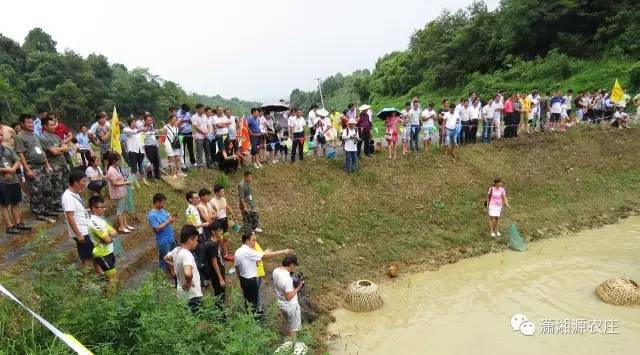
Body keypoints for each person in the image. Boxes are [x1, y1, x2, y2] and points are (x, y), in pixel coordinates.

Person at [234, 230, 291, 314]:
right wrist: (283, 252)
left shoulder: (238, 251)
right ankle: (252, 320)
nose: (255, 242)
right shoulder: (248, 251)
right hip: (250, 281)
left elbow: (236, 266)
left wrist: (240, 277)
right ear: (247, 241)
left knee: (247, 299)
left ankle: (248, 316)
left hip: (243, 279)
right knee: (253, 302)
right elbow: (266, 255)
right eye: (253, 240)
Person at [15, 114, 55, 220]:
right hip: (33, 167)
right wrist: (27, 170)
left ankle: (46, 209)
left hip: (42, 166)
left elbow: (41, 151)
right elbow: (21, 154)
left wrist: (47, 164)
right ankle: (38, 212)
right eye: (28, 122)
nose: (31, 124)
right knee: (36, 191)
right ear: (22, 124)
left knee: (47, 189)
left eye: (32, 122)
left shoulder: (34, 135)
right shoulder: (19, 137)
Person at [0, 129, 31, 235]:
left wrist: (12, 169)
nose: (0, 137)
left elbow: (17, 160)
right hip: (2, 181)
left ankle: (18, 223)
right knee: (4, 204)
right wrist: (6, 170)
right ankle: (9, 226)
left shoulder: (7, 148)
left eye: (1, 135)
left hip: (13, 179)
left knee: (16, 202)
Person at [62, 170, 94, 268]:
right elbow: (69, 216)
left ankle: (96, 276)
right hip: (81, 232)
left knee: (91, 254)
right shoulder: (68, 197)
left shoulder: (75, 193)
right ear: (75, 182)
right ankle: (87, 281)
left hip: (85, 228)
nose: (85, 183)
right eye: (83, 181)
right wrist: (78, 234)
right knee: (86, 257)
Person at [40, 115, 70, 212]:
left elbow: (66, 148)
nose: (54, 127)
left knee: (66, 185)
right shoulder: (42, 138)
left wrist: (59, 149)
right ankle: (58, 205)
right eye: (52, 125)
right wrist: (60, 149)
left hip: (63, 163)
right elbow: (54, 152)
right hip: (54, 165)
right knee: (57, 186)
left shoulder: (57, 136)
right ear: (45, 126)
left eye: (54, 125)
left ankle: (66, 203)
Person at [87, 195, 118, 288]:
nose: (104, 209)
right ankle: (110, 301)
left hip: (108, 251)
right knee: (112, 280)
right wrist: (108, 238)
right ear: (93, 208)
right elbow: (108, 239)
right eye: (102, 207)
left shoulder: (101, 220)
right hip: (102, 253)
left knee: (111, 279)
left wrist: (108, 238)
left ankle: (107, 298)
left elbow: (115, 232)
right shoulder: (93, 222)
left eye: (104, 207)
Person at [273, 255, 304, 339]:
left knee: (288, 324)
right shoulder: (287, 279)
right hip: (290, 305)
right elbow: (289, 297)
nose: (294, 268)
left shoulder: (276, 271)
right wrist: (298, 287)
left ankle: (288, 341)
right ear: (291, 264)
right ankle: (293, 346)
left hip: (280, 302)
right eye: (294, 265)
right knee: (294, 329)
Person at [174, 225, 203, 313]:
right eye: (196, 240)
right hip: (192, 295)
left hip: (182, 293)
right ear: (190, 240)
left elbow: (167, 259)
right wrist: (189, 282)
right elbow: (188, 273)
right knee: (196, 320)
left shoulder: (177, 251)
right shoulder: (187, 255)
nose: (197, 243)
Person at [148, 193, 177, 277]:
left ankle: (169, 274)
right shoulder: (152, 215)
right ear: (157, 202)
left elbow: (167, 219)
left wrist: (171, 219)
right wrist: (168, 221)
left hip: (170, 237)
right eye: (162, 203)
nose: (164, 205)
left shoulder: (163, 211)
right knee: (166, 258)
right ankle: (169, 274)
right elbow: (156, 228)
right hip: (163, 240)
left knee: (171, 256)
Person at [105, 153, 134, 233]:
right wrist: (126, 183)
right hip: (118, 193)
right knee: (120, 211)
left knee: (123, 209)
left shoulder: (116, 168)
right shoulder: (111, 170)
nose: (121, 162)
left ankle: (125, 224)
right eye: (119, 160)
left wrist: (124, 179)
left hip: (122, 192)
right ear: (114, 161)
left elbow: (118, 179)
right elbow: (114, 183)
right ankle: (121, 227)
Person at [211, 183, 239, 260]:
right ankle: (218, 254)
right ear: (217, 192)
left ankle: (226, 255)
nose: (223, 193)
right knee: (220, 238)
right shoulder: (212, 201)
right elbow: (211, 213)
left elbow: (228, 207)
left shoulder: (224, 199)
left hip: (224, 220)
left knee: (226, 237)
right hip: (218, 221)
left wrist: (233, 216)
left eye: (223, 191)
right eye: (222, 191)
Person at [204, 222, 226, 309]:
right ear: (213, 231)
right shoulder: (211, 245)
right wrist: (220, 279)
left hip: (220, 270)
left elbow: (219, 253)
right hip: (217, 274)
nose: (221, 231)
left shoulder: (215, 242)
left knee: (221, 295)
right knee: (220, 296)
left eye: (222, 230)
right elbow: (214, 263)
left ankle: (221, 314)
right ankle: (220, 317)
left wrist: (222, 241)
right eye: (219, 230)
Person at [123, 117, 146, 185]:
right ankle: (134, 180)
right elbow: (132, 132)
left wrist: (144, 150)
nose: (135, 123)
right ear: (130, 123)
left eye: (135, 122)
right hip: (132, 150)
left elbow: (142, 141)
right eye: (133, 122)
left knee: (141, 165)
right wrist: (141, 130)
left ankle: (143, 179)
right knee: (133, 166)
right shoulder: (126, 129)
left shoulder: (139, 131)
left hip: (140, 150)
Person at [192, 104, 211, 169]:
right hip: (199, 137)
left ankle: (209, 164)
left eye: (203, 109)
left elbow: (208, 125)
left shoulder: (204, 116)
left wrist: (207, 131)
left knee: (207, 151)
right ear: (197, 109)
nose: (202, 110)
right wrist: (204, 132)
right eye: (201, 109)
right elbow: (196, 127)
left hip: (206, 136)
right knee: (199, 152)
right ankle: (200, 165)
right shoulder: (194, 117)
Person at [142, 115, 161, 179]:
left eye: (151, 120)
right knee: (149, 162)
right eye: (148, 120)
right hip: (148, 147)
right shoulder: (143, 129)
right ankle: (149, 176)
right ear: (145, 121)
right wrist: (144, 149)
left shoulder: (152, 127)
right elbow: (142, 140)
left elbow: (155, 137)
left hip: (154, 146)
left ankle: (157, 175)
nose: (150, 121)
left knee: (156, 161)